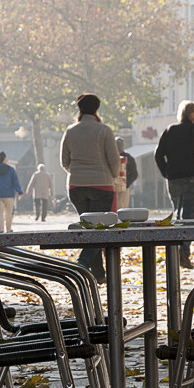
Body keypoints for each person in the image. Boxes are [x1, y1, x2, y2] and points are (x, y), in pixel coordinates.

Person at [60, 93, 121, 280]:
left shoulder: (70, 131)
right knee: (98, 230)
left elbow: (64, 161)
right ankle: (83, 262)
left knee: (90, 229)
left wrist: (78, 172)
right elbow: (114, 160)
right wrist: (111, 176)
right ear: (96, 109)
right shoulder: (104, 130)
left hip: (76, 186)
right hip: (101, 185)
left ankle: (99, 274)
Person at [156, 100, 194, 268]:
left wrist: (167, 173)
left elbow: (158, 155)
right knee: (189, 216)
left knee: (177, 214)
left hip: (174, 178)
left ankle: (176, 252)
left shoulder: (170, 130)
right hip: (193, 177)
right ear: (192, 115)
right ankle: (183, 253)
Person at [0, 151, 23, 233]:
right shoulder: (11, 170)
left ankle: (1, 229)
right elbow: (15, 182)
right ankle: (8, 229)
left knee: (0, 213)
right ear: (5, 158)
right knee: (8, 213)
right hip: (9, 194)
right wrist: (20, 192)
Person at [114, 137, 137, 210]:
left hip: (124, 187)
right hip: (112, 186)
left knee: (122, 208)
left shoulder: (128, 158)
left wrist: (126, 184)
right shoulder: (112, 157)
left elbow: (134, 174)